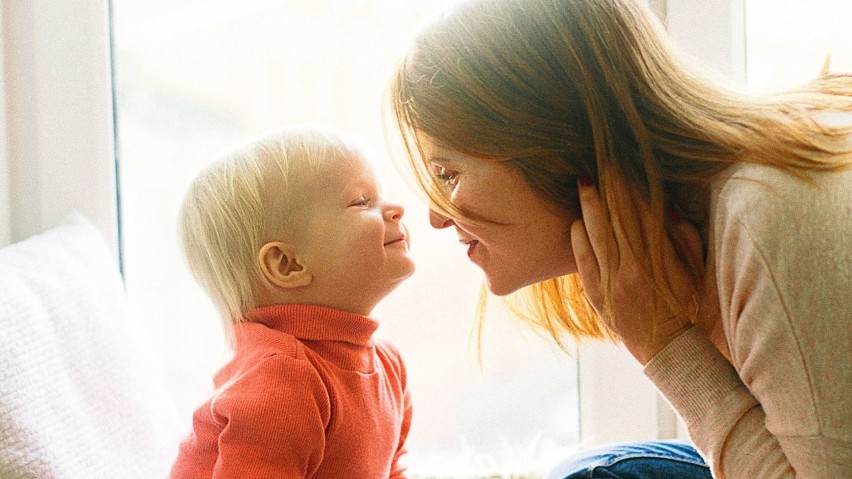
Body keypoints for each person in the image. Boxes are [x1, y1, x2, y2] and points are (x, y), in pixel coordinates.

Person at [385, 0, 852, 477]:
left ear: (554, 142)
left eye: (446, 174)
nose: (435, 219)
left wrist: (667, 346)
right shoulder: (715, 223)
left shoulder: (764, 218)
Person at [169, 125, 416, 478]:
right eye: (362, 202)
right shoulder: (282, 380)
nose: (396, 209)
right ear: (288, 265)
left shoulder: (388, 364)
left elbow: (393, 470)